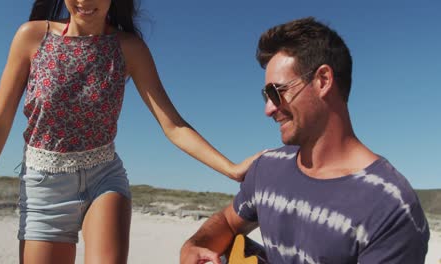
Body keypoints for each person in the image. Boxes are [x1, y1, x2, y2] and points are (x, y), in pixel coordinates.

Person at [0, 0, 262, 263]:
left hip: (103, 177)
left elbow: (172, 124)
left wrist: (231, 169)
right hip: (44, 186)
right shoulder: (32, 36)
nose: (84, 1)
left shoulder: (129, 48)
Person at [180, 17, 430, 264]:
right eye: (265, 95)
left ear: (323, 80)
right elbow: (227, 221)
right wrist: (196, 245)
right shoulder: (266, 169)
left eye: (276, 92)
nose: (269, 109)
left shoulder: (390, 207)